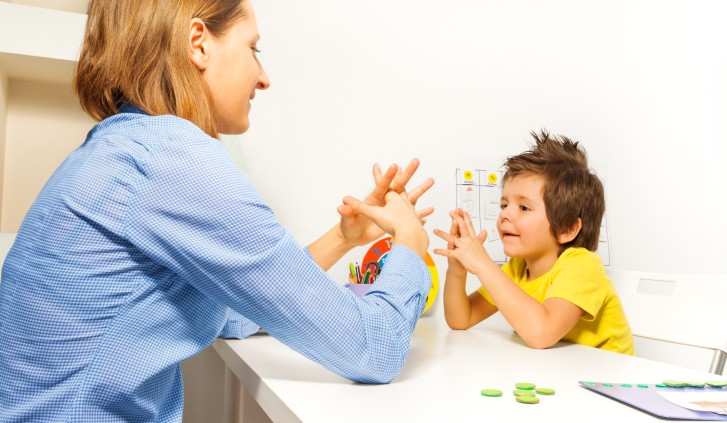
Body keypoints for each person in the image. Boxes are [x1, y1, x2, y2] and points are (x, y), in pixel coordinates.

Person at [0, 0, 435, 421]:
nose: (263, 78)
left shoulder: (123, 147)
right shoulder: (174, 159)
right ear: (198, 42)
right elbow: (373, 347)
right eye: (253, 48)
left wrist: (343, 238)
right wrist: (410, 245)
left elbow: (232, 314)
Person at [433, 130, 634, 355]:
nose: (504, 215)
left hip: (609, 381)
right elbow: (462, 318)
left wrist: (483, 265)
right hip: (559, 375)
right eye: (503, 205)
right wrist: (457, 271)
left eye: (524, 207)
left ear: (567, 228)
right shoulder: (517, 268)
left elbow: (541, 333)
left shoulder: (582, 266)